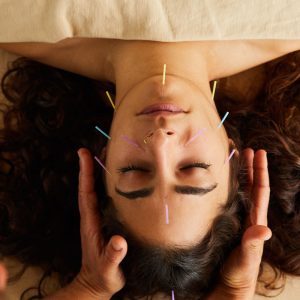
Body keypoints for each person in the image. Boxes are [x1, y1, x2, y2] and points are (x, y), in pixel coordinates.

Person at [0, 39, 299, 299]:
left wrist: (91, 288)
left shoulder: (16, 25)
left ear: (101, 160)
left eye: (134, 171)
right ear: (233, 157)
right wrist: (234, 290)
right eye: (192, 167)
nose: (160, 142)